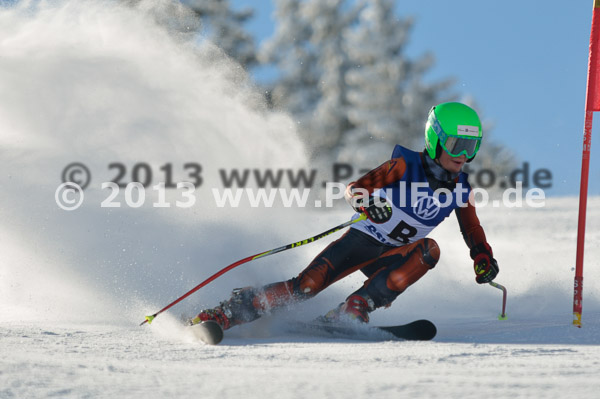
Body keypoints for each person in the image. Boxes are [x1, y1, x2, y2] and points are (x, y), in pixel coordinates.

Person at [189, 102, 499, 330]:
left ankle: (354, 309)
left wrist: (482, 256)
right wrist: (367, 203)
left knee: (430, 250)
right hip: (363, 241)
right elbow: (355, 189)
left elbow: (471, 227)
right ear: (436, 139)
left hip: (394, 255)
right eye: (458, 145)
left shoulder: (460, 187)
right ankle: (225, 313)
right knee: (305, 287)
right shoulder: (406, 166)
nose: (464, 156)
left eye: (472, 147)